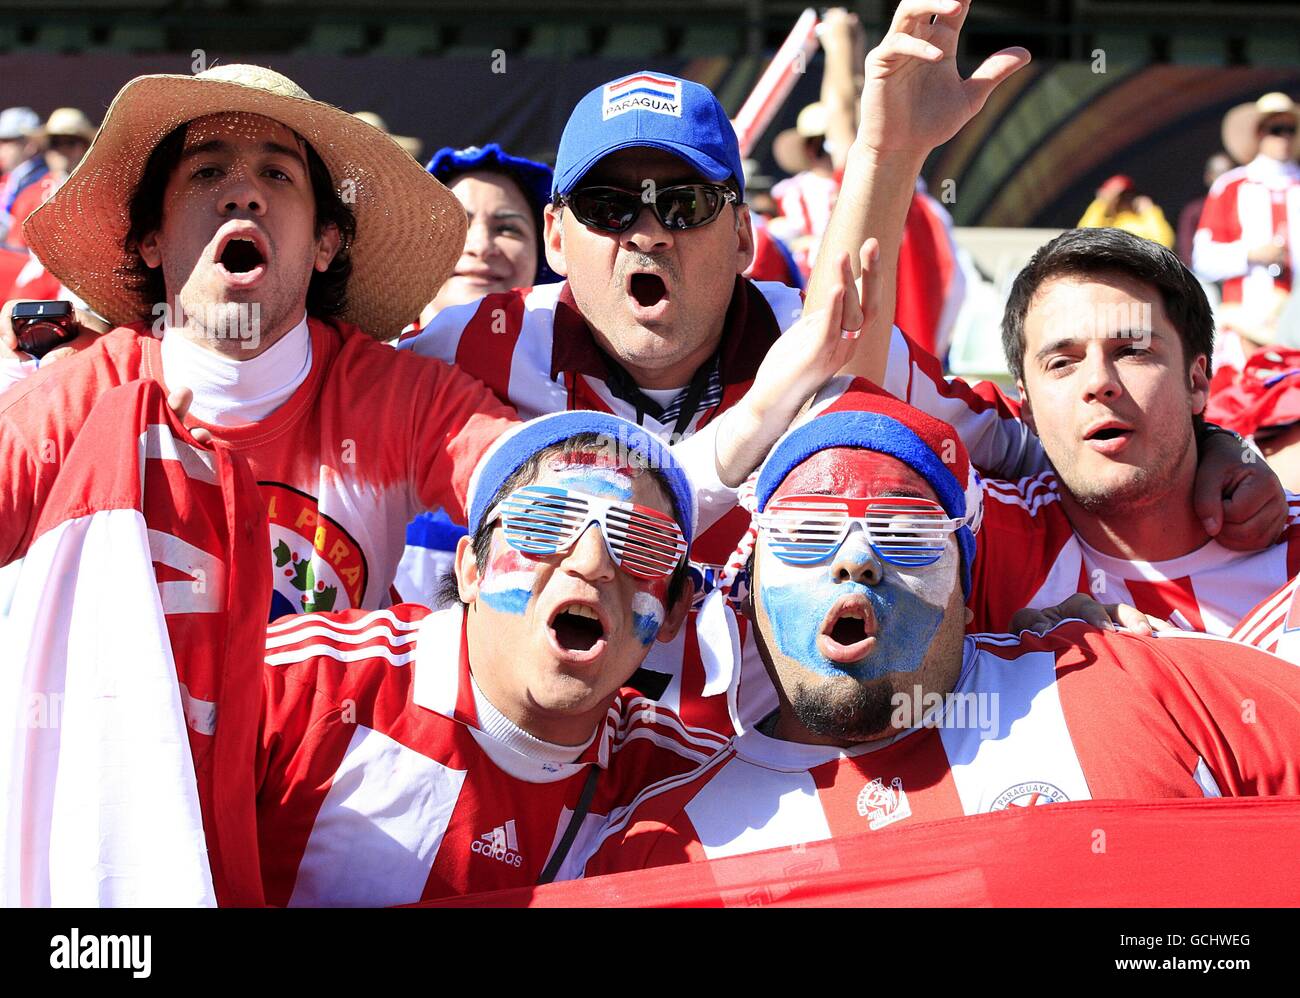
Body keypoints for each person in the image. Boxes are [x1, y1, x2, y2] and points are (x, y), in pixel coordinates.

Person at [0, 64, 844, 625]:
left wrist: (764, 410)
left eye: (278, 175)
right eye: (207, 171)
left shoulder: (404, 400)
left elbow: (596, 513)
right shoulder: (77, 399)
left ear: (329, 240)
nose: (243, 195)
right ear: (151, 238)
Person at [582, 387, 1300, 873]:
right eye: (806, 536)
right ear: (748, 592)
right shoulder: (666, 847)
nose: (856, 561)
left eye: (905, 533)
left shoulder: (1129, 677)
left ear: (964, 594)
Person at [256, 412, 732, 904]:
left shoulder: (687, 781)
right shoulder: (298, 681)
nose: (591, 563)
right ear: (469, 571)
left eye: (643, 543)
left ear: (674, 611)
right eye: (546, 521)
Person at [1193, 92, 1300, 359]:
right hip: (1246, 326)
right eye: (1276, 129)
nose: (1284, 137)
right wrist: (1250, 254)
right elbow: (1202, 259)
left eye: (1290, 129)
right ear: (1259, 133)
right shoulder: (1230, 187)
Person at [419, 143, 560, 325]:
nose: (481, 247)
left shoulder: (572, 353)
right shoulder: (371, 353)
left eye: (507, 229)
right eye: (454, 223)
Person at [5, 107, 96, 250]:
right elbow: (15, 251)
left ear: (85, 147)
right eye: (55, 143)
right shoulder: (30, 196)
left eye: (70, 142)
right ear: (46, 148)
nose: (62, 150)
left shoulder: (101, 194)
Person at [1077, 174, 1175, 249]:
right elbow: (1084, 237)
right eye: (1116, 197)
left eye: (1126, 195)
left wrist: (1149, 211)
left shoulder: (1143, 220)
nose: (1121, 201)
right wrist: (1102, 203)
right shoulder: (1104, 222)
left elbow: (1164, 243)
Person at [1176, 152, 1233, 268]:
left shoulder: (1246, 201)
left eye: (1229, 172)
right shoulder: (1194, 211)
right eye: (1220, 173)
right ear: (1209, 177)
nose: (1225, 179)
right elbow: (1187, 254)